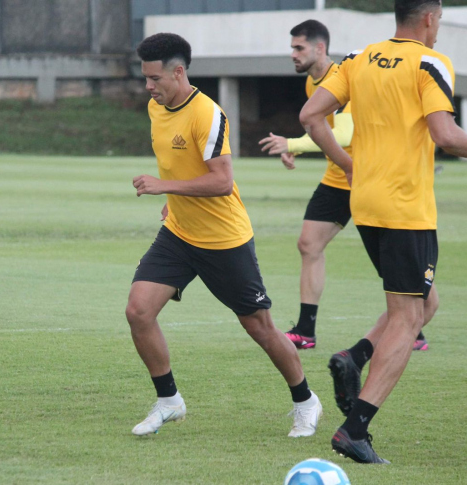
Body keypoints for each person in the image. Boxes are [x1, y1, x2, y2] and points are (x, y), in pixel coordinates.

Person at [299, 0, 467, 463]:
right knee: (407, 317)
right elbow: (446, 135)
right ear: (430, 17)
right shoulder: (430, 62)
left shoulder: (358, 58)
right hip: (404, 209)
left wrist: (347, 166)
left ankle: (354, 357)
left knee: (424, 302)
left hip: (366, 204)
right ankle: (353, 430)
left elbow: (311, 116)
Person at [127, 32, 322, 438]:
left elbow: (221, 181)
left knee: (260, 327)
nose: (148, 87)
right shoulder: (155, 107)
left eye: (154, 79)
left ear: (178, 72)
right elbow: (179, 163)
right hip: (179, 234)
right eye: (145, 78)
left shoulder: (208, 115)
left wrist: (165, 187)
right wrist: (174, 199)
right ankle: (169, 401)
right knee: (139, 311)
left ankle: (305, 401)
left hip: (224, 240)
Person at [259, 19, 429, 352]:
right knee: (308, 244)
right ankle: (306, 330)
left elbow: (346, 134)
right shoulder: (314, 83)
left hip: (369, 179)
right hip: (339, 178)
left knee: (394, 265)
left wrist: (293, 145)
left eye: (299, 48)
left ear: (320, 48)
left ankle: (416, 326)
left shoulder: (347, 76)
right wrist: (301, 149)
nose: (292, 54)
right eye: (292, 48)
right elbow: (323, 131)